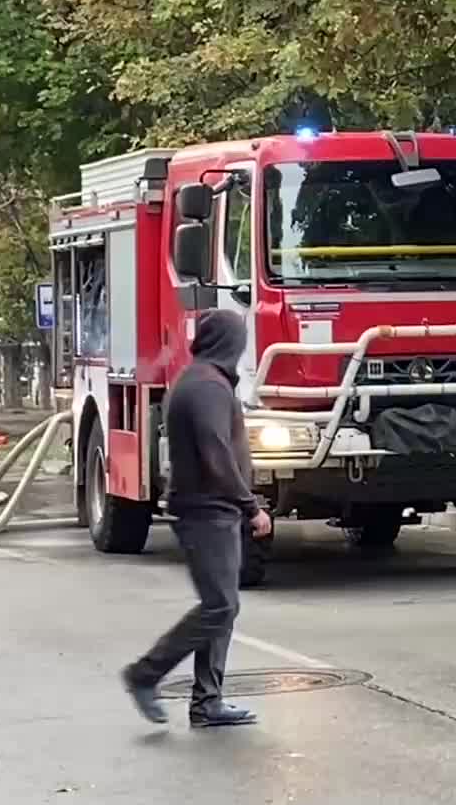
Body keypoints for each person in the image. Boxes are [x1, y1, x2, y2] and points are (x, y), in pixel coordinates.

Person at [121, 309, 272, 729]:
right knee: (219, 606)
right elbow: (216, 452)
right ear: (228, 343)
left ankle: (207, 702)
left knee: (222, 606)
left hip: (213, 509)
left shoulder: (203, 380)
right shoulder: (206, 387)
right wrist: (251, 505)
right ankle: (145, 674)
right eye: (239, 340)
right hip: (207, 511)